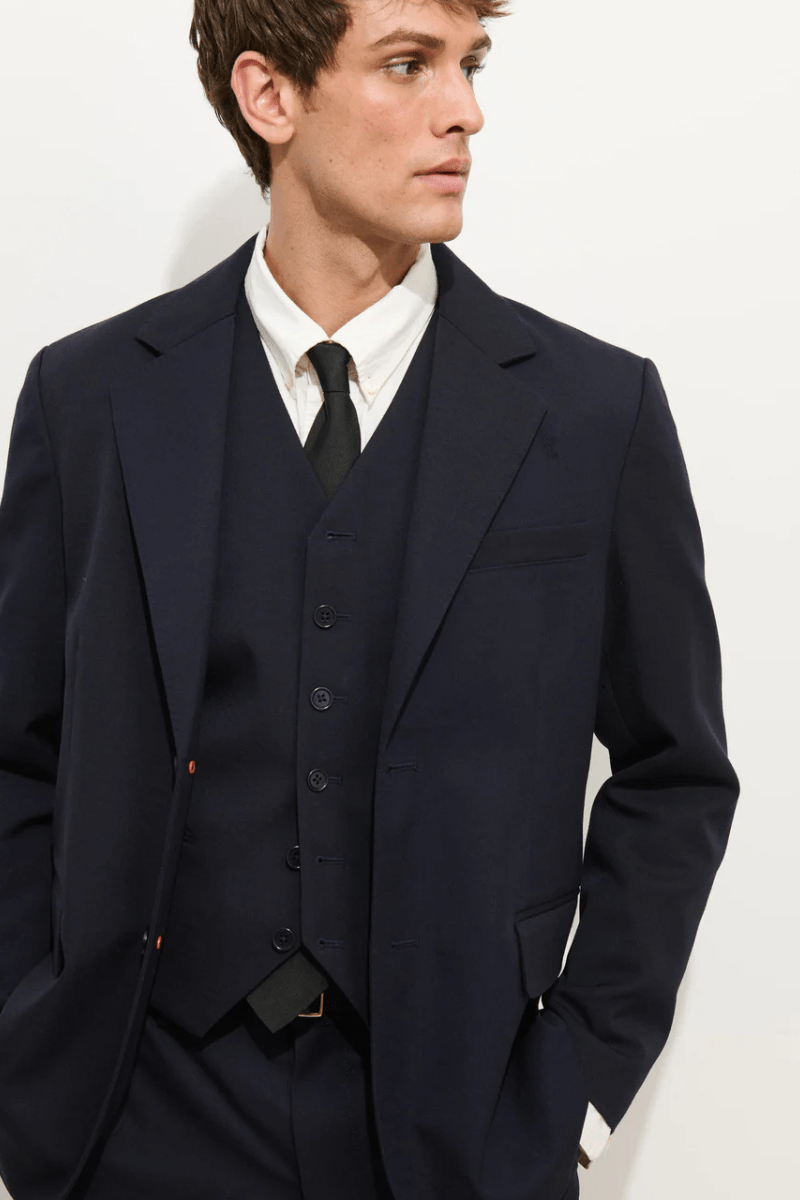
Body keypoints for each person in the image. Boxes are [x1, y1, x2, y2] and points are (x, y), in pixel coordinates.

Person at [0, 1, 740, 1198]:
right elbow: (17, 749)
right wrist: (26, 1059)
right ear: (269, 96)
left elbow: (675, 773)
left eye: (469, 65)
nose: (466, 111)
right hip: (141, 1118)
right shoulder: (88, 399)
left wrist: (574, 1093)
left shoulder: (594, 414)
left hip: (459, 1129)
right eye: (407, 65)